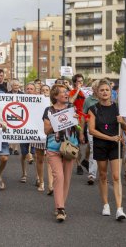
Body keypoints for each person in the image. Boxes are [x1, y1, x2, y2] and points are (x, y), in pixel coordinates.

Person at [88, 79, 126, 220]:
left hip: (116, 146)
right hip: (100, 145)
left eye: (107, 90)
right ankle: (106, 204)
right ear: (97, 92)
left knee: (116, 176)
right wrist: (110, 138)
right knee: (103, 175)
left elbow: (125, 127)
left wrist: (125, 126)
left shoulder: (118, 108)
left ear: (111, 92)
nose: (104, 92)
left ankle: (119, 208)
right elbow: (91, 131)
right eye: (101, 90)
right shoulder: (93, 109)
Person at [43, 84, 77, 222]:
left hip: (69, 147)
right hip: (53, 148)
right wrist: (57, 121)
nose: (66, 94)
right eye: (63, 92)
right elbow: (46, 131)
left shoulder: (71, 108)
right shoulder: (48, 111)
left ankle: (60, 204)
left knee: (67, 178)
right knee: (59, 176)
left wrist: (76, 119)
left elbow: (78, 126)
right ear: (55, 96)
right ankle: (60, 209)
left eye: (66, 92)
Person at [81, 80, 99, 185]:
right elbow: (83, 116)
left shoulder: (107, 99)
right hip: (91, 129)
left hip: (105, 128)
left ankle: (102, 174)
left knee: (103, 151)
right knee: (93, 150)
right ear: (93, 89)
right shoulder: (88, 100)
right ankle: (92, 174)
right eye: (97, 88)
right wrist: (81, 133)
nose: (99, 90)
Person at [69, 74, 86, 175]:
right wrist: (78, 90)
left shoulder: (86, 91)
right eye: (79, 81)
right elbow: (71, 101)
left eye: (82, 81)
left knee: (88, 143)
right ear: (75, 82)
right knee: (78, 144)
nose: (81, 83)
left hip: (86, 118)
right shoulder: (72, 92)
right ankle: (78, 164)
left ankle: (85, 160)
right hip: (76, 120)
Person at [19, 83, 36, 183]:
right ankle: (24, 173)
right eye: (27, 89)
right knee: (24, 153)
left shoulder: (39, 102)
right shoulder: (22, 101)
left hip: (35, 130)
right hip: (24, 130)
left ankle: (38, 176)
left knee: (37, 155)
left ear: (34, 91)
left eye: (31, 89)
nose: (29, 90)